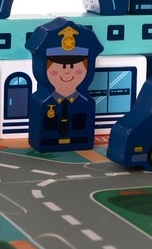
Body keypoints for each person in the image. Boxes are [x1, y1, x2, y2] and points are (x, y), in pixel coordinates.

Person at [25, 17, 103, 152]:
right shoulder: (43, 102)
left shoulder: (86, 103)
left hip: (79, 141)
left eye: (73, 66)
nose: (67, 72)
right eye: (60, 66)